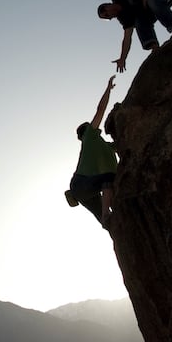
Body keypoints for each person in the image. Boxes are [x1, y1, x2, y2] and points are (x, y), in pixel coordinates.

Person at [65, 76, 118, 228]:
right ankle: (107, 213)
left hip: (82, 191)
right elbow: (100, 110)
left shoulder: (106, 146)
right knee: (110, 178)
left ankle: (109, 221)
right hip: (84, 183)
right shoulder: (90, 135)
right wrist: (108, 89)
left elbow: (121, 144)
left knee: (106, 221)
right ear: (86, 130)